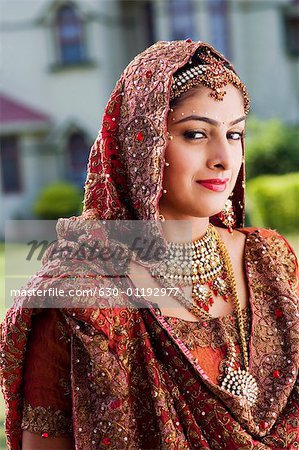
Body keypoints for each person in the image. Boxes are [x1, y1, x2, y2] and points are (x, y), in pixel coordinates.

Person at [1, 40, 298, 450]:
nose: (224, 158)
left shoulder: (271, 262)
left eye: (234, 134)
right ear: (142, 145)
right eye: (195, 134)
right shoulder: (80, 300)